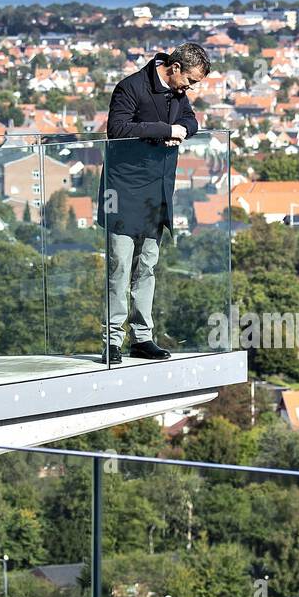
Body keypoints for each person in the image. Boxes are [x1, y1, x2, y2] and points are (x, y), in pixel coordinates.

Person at [98, 42, 210, 363]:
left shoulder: (177, 93)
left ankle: (142, 338)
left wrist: (182, 131)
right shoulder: (130, 87)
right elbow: (117, 129)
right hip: (122, 191)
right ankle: (112, 341)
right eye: (190, 80)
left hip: (157, 191)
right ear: (174, 68)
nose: (191, 87)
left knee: (147, 266)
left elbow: (191, 120)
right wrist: (165, 130)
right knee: (120, 267)